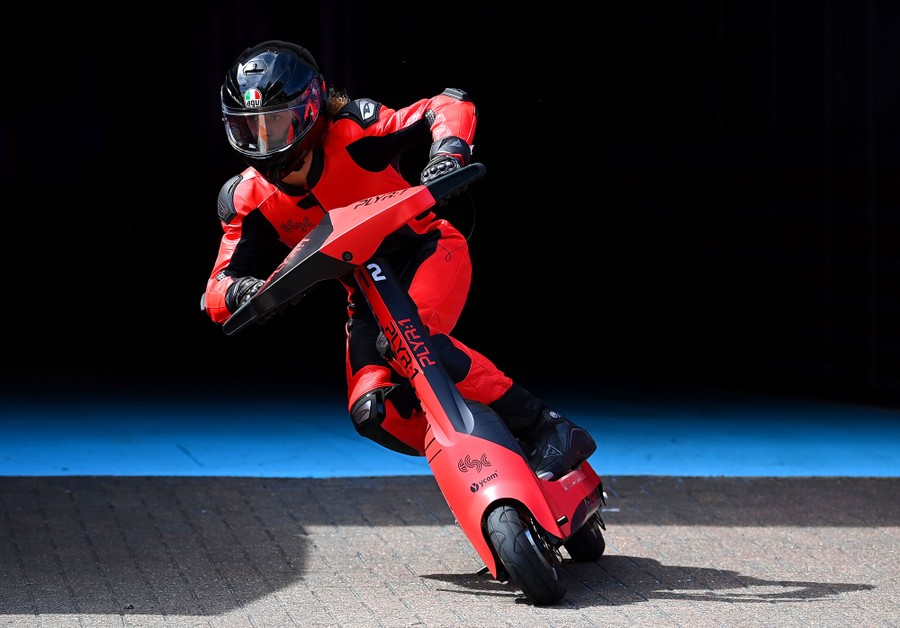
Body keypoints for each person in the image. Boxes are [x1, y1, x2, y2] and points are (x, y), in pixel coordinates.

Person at [201, 40, 596, 480]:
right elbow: (215, 291)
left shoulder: (355, 131)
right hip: (366, 297)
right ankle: (498, 453)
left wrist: (448, 152)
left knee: (410, 339)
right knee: (372, 410)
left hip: (428, 252)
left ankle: (548, 428)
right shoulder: (245, 198)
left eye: (274, 121)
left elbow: (447, 105)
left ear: (310, 111)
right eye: (248, 126)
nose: (263, 139)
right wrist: (241, 290)